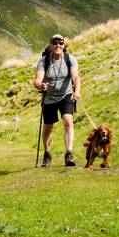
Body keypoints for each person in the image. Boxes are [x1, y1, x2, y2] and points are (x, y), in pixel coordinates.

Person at [33, 34, 81, 167]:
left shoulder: (70, 59)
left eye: (60, 43)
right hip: (49, 97)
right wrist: (41, 85)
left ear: (64, 46)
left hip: (66, 95)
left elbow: (76, 77)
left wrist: (77, 91)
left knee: (68, 121)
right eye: (55, 43)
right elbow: (37, 80)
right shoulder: (44, 61)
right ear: (50, 46)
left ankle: (69, 154)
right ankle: (47, 154)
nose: (57, 45)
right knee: (48, 127)